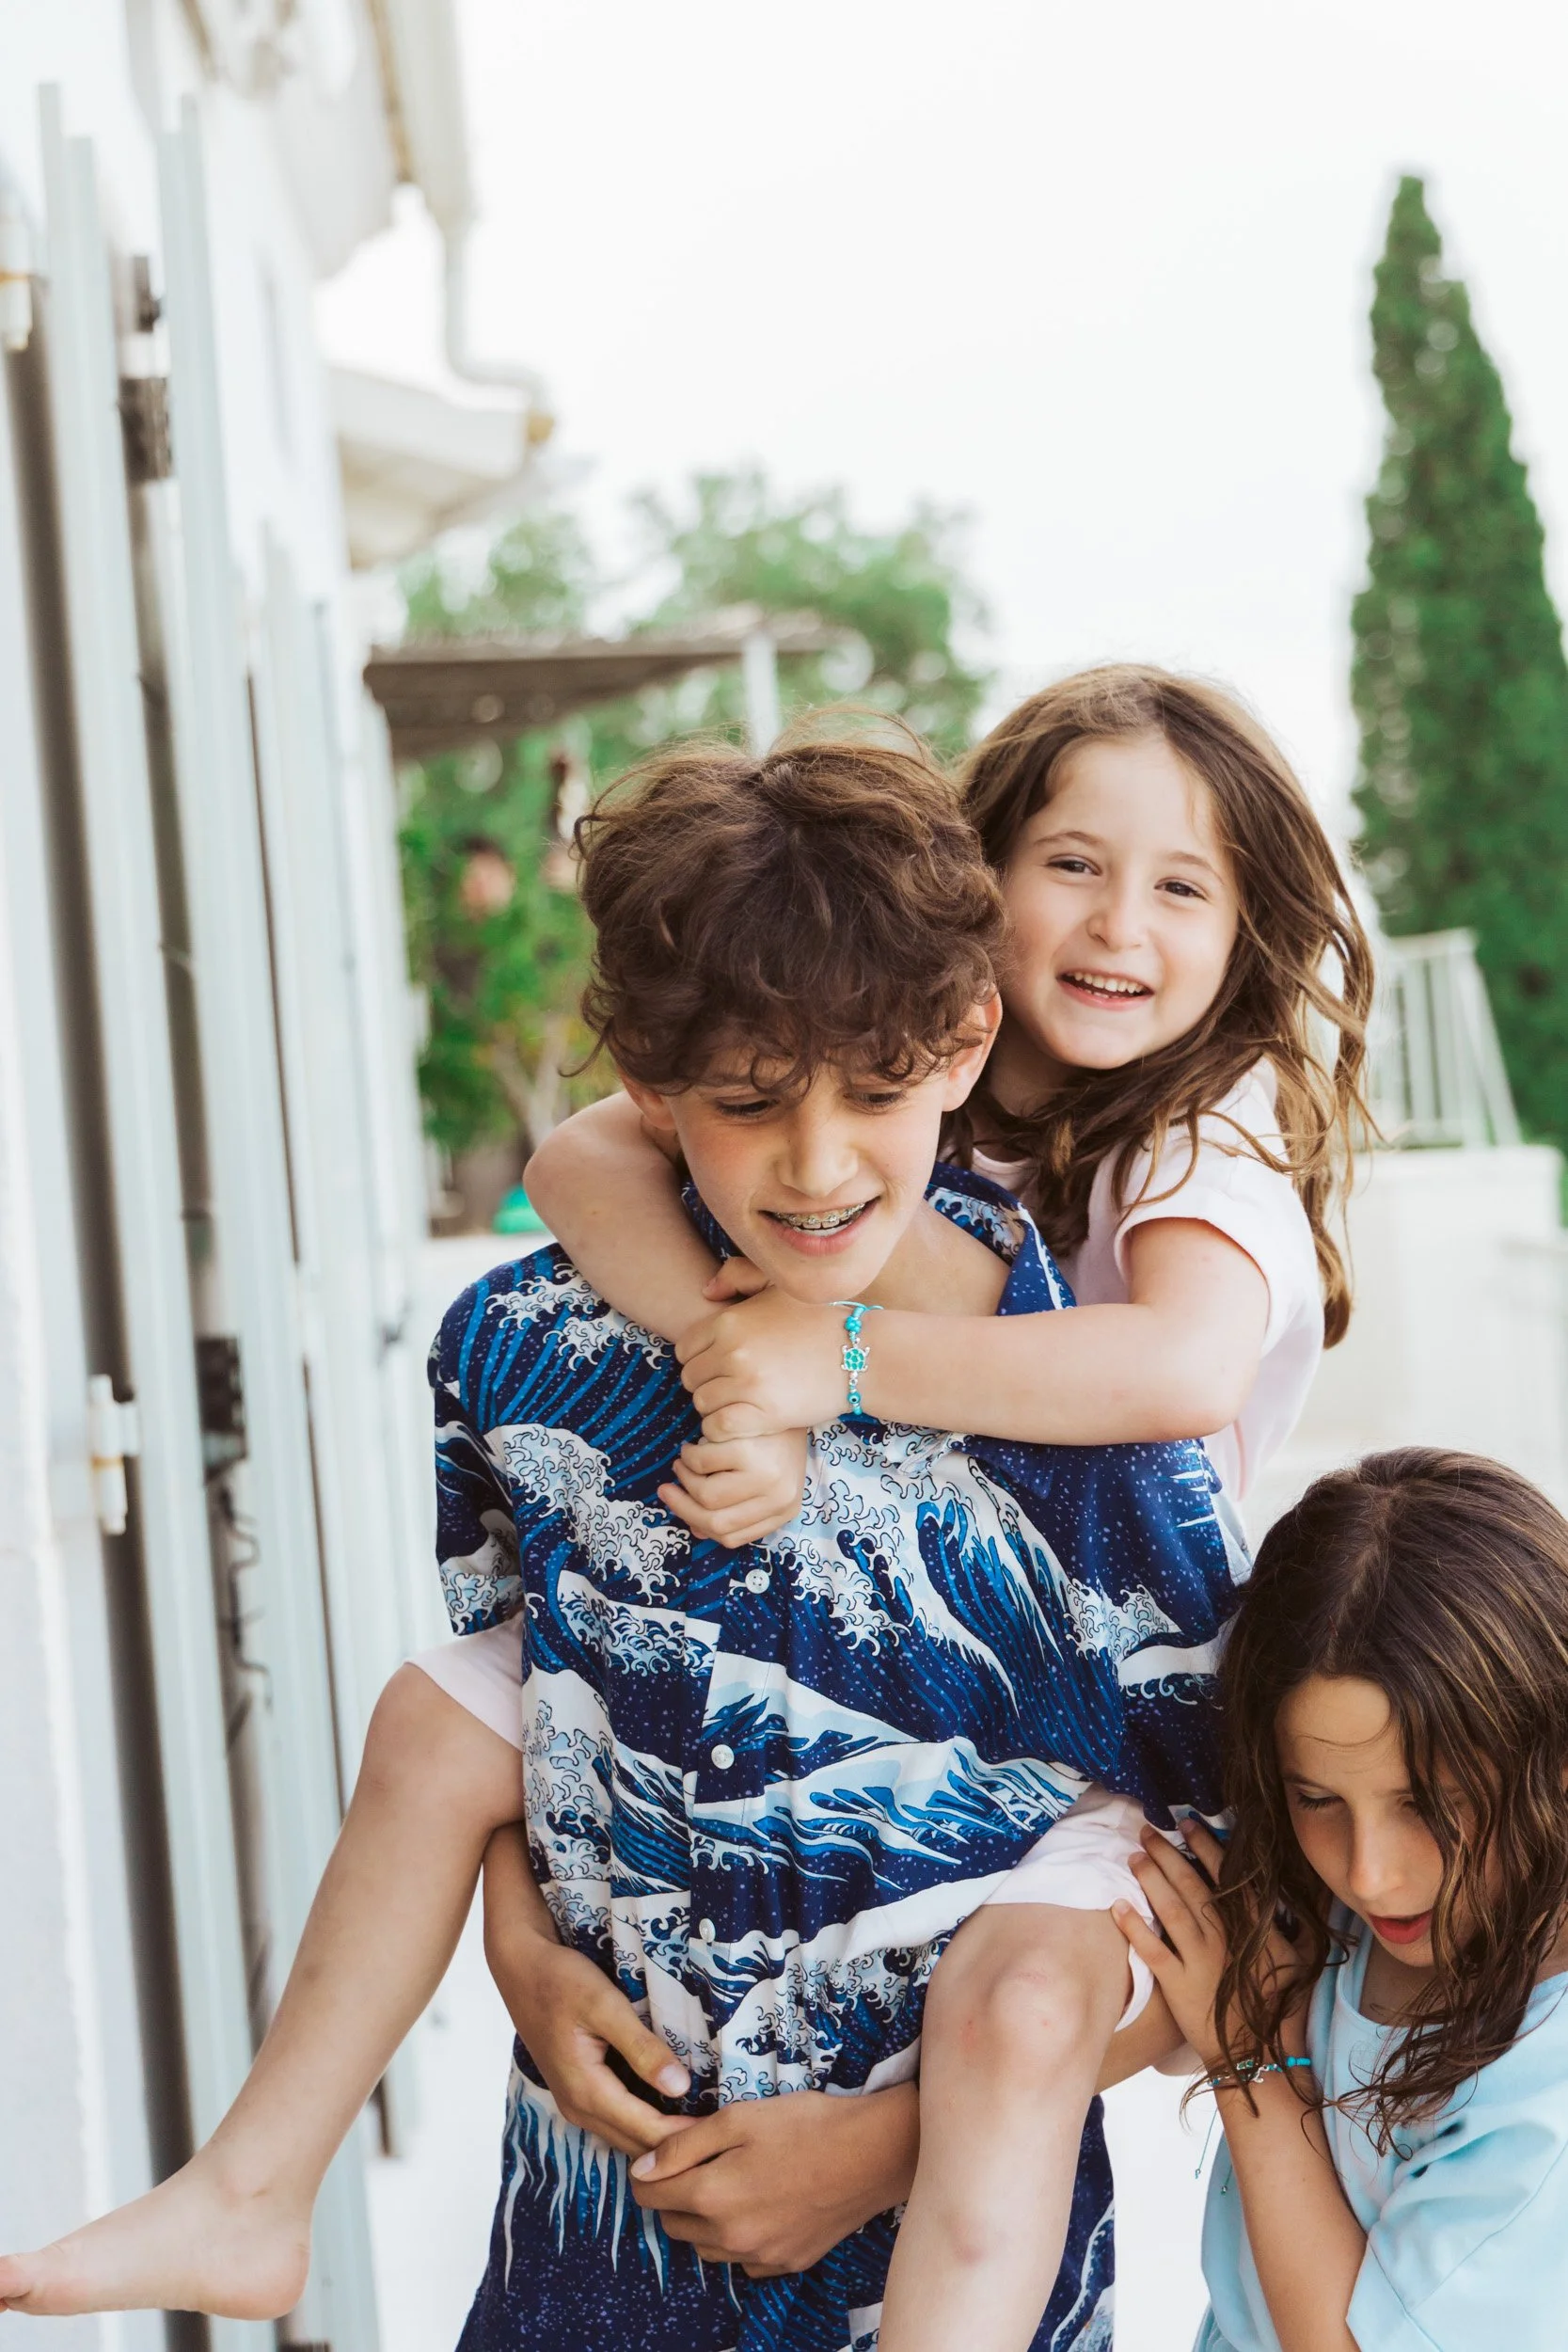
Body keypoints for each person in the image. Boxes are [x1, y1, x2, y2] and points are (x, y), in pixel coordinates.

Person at [0, 723, 1240, 2349]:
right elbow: (502, 1730)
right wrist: (517, 1946)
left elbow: (1222, 1893)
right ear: (650, 1087)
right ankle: (247, 2195)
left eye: (873, 1091)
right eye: (743, 1102)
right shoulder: (519, 1348)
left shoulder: (1084, 1424)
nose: (813, 1163)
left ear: (961, 1039)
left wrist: (896, 2138)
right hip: (587, 2263)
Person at [524, 664, 1372, 2349]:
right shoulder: (899, 1102)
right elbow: (583, 1156)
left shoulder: (1203, 1130)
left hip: (1085, 1697)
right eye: (1070, 861)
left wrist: (828, 1356)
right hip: (857, 1677)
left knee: (1014, 2018)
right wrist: (726, 1353)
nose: (1116, 920)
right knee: (458, 1728)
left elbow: (1178, 1366)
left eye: (1181, 884)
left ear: (1247, 927)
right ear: (978, 886)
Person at [1117, 1448, 1568, 2352]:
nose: (1368, 1876)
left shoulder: (1544, 2087)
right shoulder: (1324, 1910)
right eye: (1316, 1798)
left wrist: (1254, 2062)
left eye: (1430, 1808)